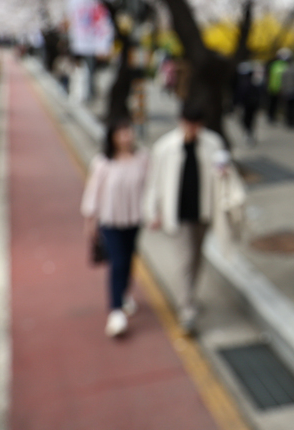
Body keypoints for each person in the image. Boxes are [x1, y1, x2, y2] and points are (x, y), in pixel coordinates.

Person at [144, 101, 247, 334]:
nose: (192, 129)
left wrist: (224, 173)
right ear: (181, 122)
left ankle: (189, 296)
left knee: (197, 257)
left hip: (204, 210)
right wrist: (153, 211)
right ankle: (187, 309)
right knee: (186, 260)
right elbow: (155, 182)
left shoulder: (213, 144)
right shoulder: (165, 147)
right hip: (177, 212)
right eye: (189, 124)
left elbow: (224, 171)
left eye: (196, 125)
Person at [80, 117, 149, 338]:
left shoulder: (142, 158)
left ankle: (124, 293)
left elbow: (151, 187)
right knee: (118, 262)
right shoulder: (103, 163)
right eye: (120, 133)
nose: (126, 137)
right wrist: (90, 220)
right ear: (112, 137)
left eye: (128, 131)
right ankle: (115, 310)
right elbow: (93, 193)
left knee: (129, 259)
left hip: (134, 219)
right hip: (110, 221)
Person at [266, 49, 290, 123]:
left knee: (274, 104)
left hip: (275, 87)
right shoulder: (284, 65)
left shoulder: (274, 65)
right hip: (278, 88)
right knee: (275, 104)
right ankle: (272, 117)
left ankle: (273, 117)